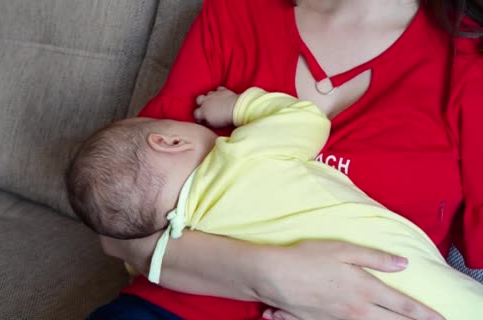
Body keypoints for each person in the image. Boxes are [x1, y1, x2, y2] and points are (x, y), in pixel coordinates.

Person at [96, 1, 483, 319]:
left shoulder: (468, 59)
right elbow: (113, 219)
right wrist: (272, 275)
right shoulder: (235, 13)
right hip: (177, 308)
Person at [68, 87, 483, 320]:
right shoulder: (239, 155)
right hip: (396, 272)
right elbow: (305, 120)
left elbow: (132, 252)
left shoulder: (184, 228)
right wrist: (239, 106)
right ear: (170, 140)